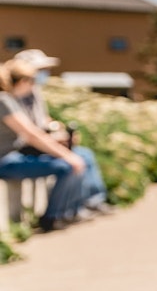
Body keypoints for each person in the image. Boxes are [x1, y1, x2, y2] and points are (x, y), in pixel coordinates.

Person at [12, 49, 114, 215]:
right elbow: (29, 133)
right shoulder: (12, 97)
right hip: (25, 149)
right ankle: (58, 214)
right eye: (40, 70)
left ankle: (91, 202)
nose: (44, 73)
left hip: (38, 145)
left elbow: (43, 120)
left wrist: (61, 132)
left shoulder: (34, 92)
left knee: (85, 154)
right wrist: (60, 148)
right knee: (70, 163)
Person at [0, 59, 89, 232]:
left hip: (15, 156)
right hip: (6, 160)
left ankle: (65, 212)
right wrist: (67, 155)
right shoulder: (3, 100)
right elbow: (31, 134)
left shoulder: (8, 99)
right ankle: (52, 217)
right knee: (65, 166)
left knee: (76, 159)